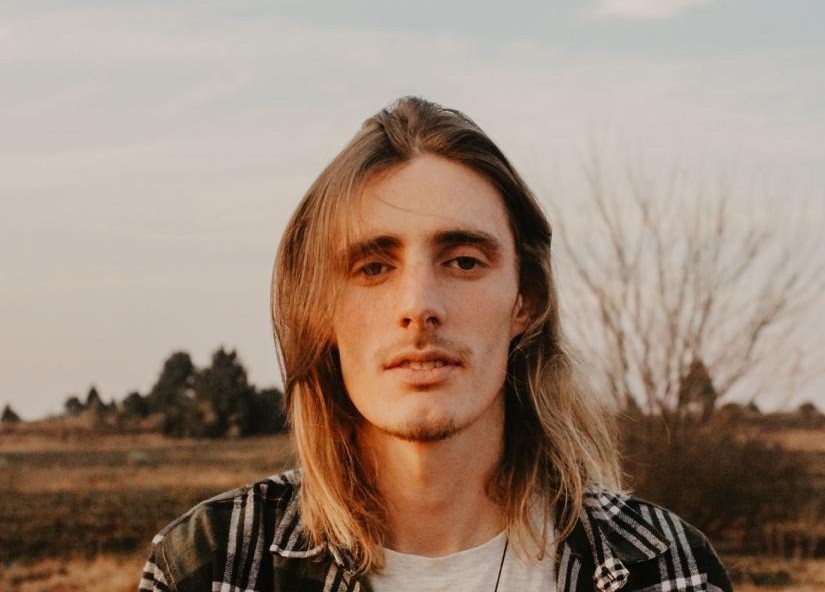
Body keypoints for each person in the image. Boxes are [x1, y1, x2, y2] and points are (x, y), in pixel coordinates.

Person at [138, 97, 732, 592]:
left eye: (464, 261)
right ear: (321, 310)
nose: (418, 305)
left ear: (524, 300)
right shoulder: (214, 567)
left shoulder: (660, 568)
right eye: (373, 267)